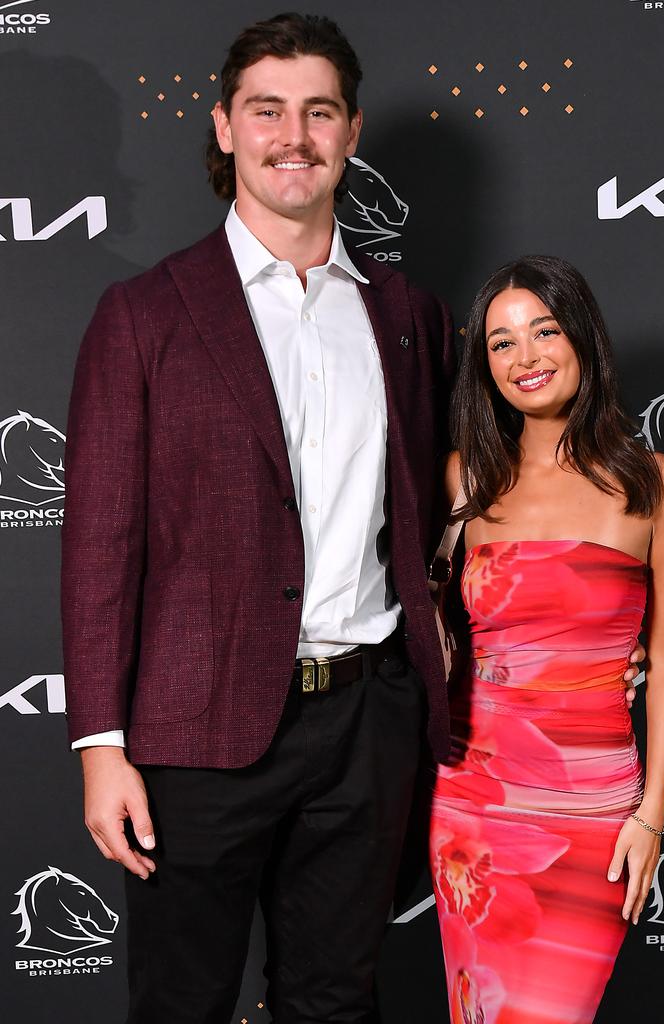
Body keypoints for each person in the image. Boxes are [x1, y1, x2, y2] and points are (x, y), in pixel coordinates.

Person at [61, 13, 459, 1024]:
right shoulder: (145, 313)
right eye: (268, 110)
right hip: (193, 733)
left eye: (319, 111)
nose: (295, 135)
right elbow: (101, 542)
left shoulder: (406, 316)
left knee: (335, 999)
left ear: (352, 132)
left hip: (367, 723)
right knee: (182, 1001)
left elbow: (449, 511)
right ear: (225, 128)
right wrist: (100, 742)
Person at [430, 256, 664, 1024]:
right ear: (484, 367)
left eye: (543, 331)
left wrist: (652, 814)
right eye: (501, 343)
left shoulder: (655, 483)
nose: (526, 358)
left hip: (594, 810)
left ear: (581, 337)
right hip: (473, 805)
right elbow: (425, 623)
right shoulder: (463, 480)